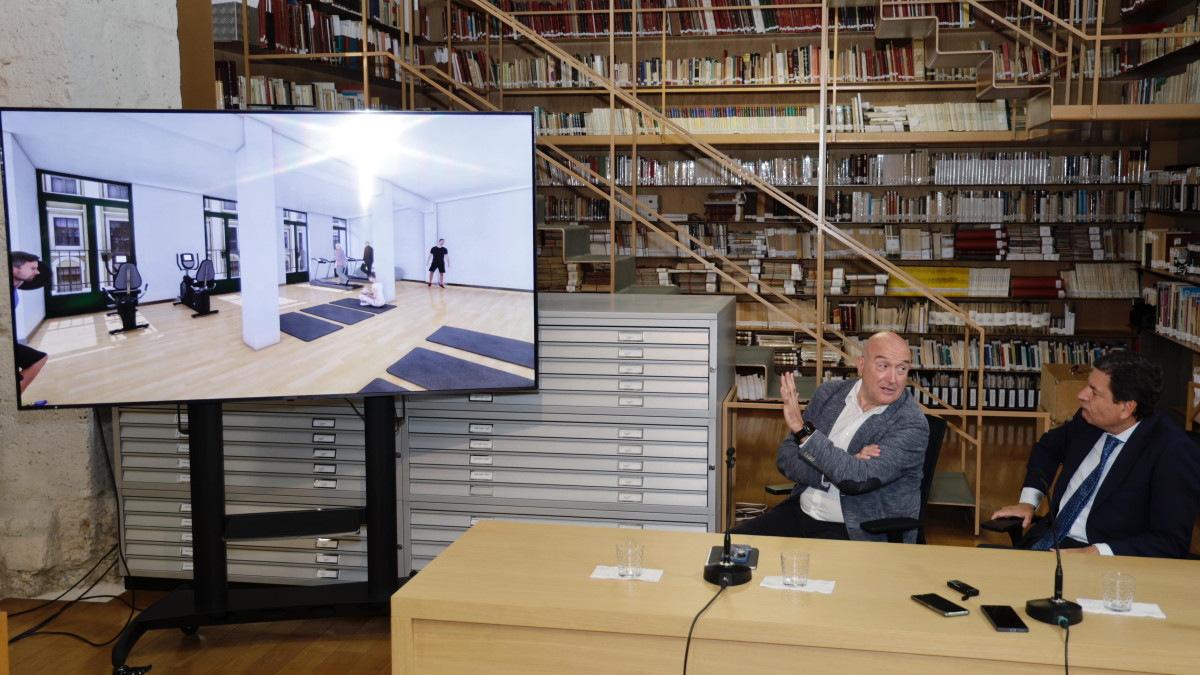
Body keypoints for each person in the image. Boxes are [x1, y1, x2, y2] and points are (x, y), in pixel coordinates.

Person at [991, 350, 1200, 558]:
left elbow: (1170, 541)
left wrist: (1099, 552)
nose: (1081, 395)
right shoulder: (1088, 420)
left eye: (1094, 391)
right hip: (1047, 540)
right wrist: (1028, 501)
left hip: (1109, 565)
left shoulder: (1173, 452)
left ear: (1126, 408)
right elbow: (1048, 447)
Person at [732, 331, 929, 543]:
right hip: (799, 513)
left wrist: (804, 434)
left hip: (853, 530)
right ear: (861, 365)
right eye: (883, 366)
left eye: (902, 368)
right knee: (728, 549)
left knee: (806, 572)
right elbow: (786, 458)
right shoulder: (829, 394)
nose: (892, 379)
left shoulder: (911, 423)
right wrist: (837, 467)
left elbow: (856, 480)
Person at [10, 251, 49, 396]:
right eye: (33, 268)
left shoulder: (15, 284)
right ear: (13, 269)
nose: (37, 272)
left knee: (37, 358)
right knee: (37, 359)